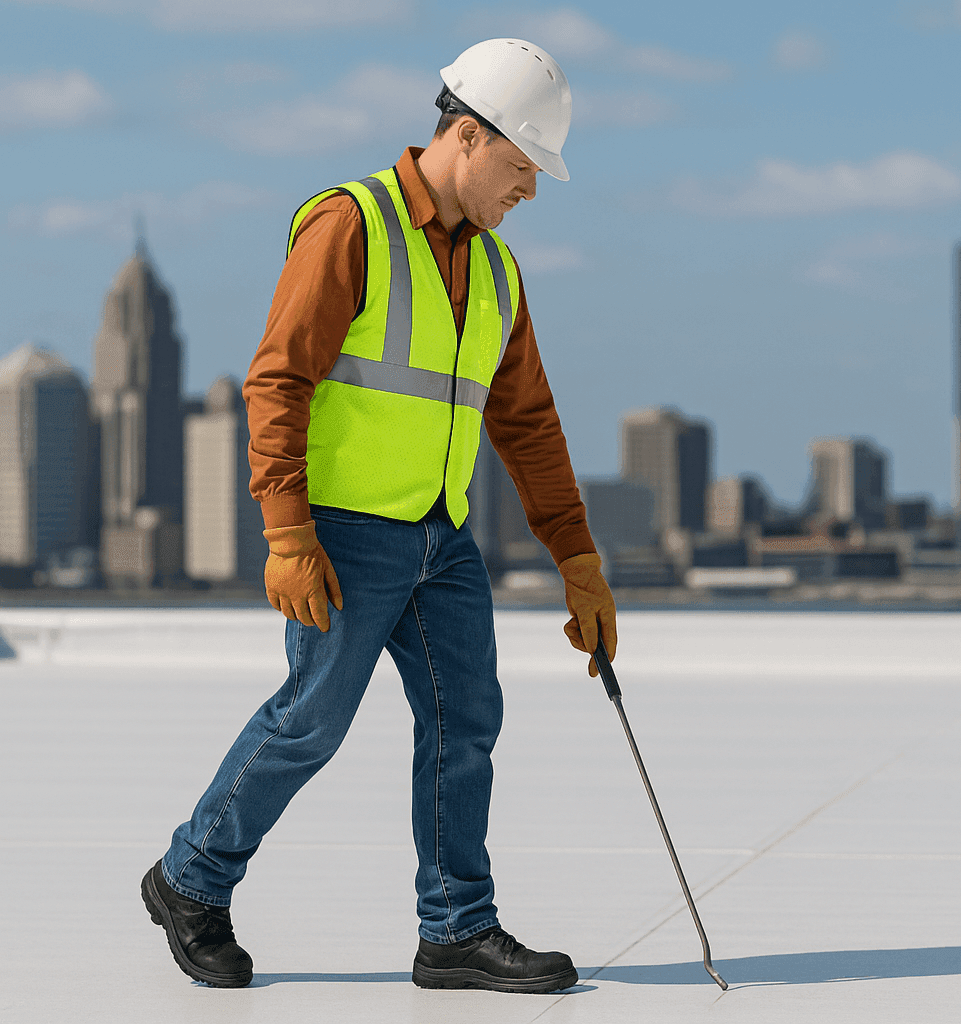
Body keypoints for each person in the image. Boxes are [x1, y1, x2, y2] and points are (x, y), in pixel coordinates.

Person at [139, 39, 615, 994]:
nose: (529, 191)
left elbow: (529, 426)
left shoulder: (497, 275)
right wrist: (286, 532)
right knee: (311, 720)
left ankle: (456, 931)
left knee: (466, 721)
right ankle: (190, 880)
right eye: (522, 167)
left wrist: (578, 558)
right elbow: (277, 379)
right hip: (345, 533)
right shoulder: (353, 226)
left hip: (442, 536)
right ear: (467, 137)